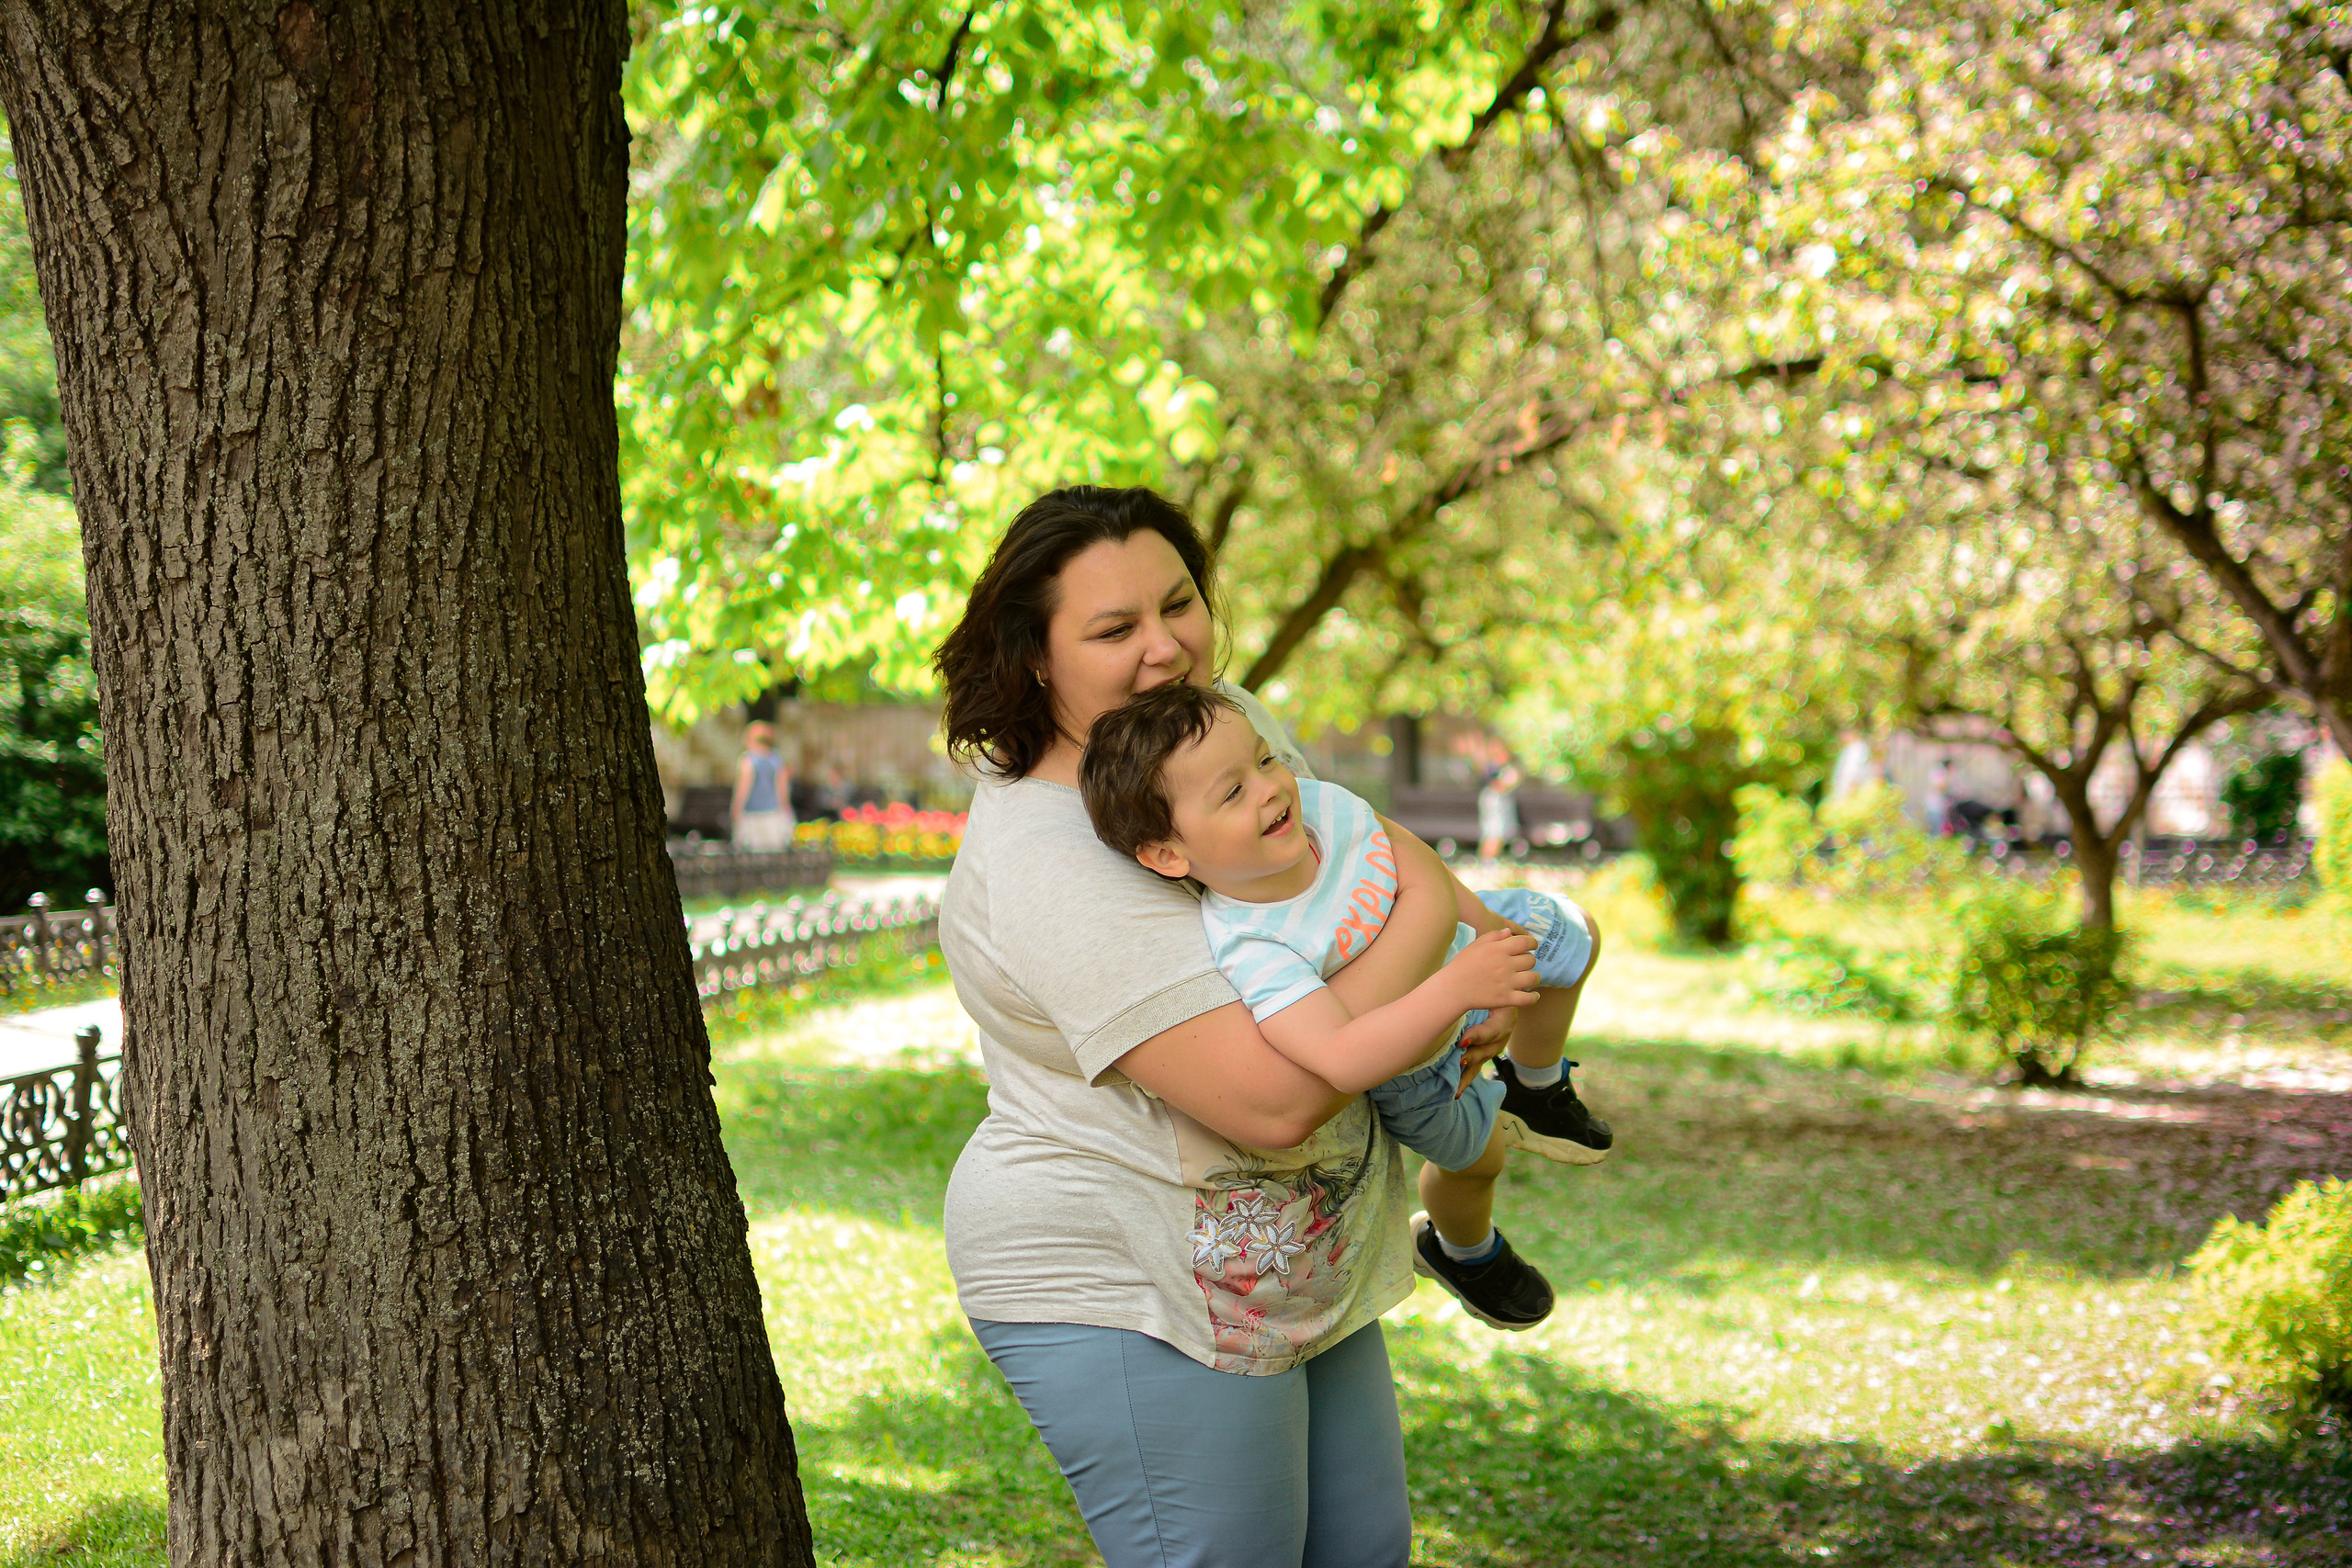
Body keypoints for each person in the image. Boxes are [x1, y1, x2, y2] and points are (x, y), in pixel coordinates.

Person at [932, 485, 1525, 1567]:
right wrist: (1438, 936)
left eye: (1179, 603)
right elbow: (1275, 1099)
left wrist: (1474, 960)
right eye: (1113, 630)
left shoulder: (1215, 721)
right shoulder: (1049, 854)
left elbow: (1350, 857)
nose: (1166, 649)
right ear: (1033, 658)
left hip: (1292, 1271)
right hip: (1131, 1278)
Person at [1080, 682, 1613, 1333]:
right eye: (1232, 791)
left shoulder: (1327, 810)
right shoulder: (1253, 944)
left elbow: (1417, 861)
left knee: (1574, 932)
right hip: (1419, 1058)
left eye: (1265, 760)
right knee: (1479, 1162)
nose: (1272, 787)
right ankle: (1464, 1250)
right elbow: (1340, 1056)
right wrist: (1461, 991)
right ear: (1170, 852)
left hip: (1465, 949)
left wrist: (1495, 942)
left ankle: (1537, 1083)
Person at [729, 720, 795, 851]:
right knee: (772, 853)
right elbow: (782, 790)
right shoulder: (777, 760)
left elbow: (743, 789)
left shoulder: (747, 760)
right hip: (772, 815)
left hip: (752, 816)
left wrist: (736, 808)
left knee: (751, 854)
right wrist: (786, 811)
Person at [1476, 742, 1521, 863]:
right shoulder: (1494, 769)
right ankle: (1487, 860)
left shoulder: (1501, 768)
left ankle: (1491, 859)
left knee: (1499, 832)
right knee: (1494, 832)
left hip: (1500, 802)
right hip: (1496, 802)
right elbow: (1498, 785)